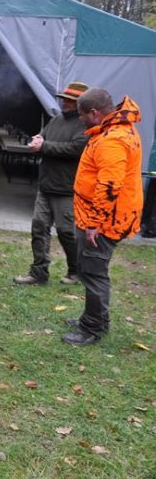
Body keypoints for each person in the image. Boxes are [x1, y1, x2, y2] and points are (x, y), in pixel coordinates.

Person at [62, 88, 143, 346]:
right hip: (106, 217)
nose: (80, 119)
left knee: (93, 272)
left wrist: (95, 223)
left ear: (94, 113)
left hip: (105, 222)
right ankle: (94, 319)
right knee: (91, 269)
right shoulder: (115, 131)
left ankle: (92, 328)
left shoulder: (113, 140)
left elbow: (109, 185)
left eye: (81, 114)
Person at [13, 82, 90, 286]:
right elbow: (42, 138)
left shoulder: (85, 126)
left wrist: (43, 145)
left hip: (67, 190)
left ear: (80, 104)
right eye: (64, 99)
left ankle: (75, 271)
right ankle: (38, 272)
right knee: (38, 229)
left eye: (70, 101)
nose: (65, 103)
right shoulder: (56, 120)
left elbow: (75, 149)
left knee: (67, 233)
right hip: (46, 186)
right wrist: (37, 140)